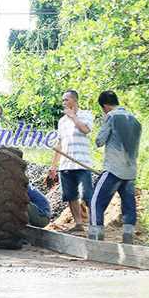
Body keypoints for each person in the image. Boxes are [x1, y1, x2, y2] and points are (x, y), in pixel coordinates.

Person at [89, 91, 142, 244]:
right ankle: (128, 238)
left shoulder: (111, 117)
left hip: (113, 169)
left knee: (95, 201)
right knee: (128, 205)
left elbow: (100, 141)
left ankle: (95, 239)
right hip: (131, 171)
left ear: (105, 106)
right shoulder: (135, 120)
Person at [48, 90, 94, 232]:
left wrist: (73, 116)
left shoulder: (86, 115)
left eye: (66, 100)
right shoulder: (61, 121)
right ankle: (79, 224)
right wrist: (53, 166)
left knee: (87, 195)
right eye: (63, 100)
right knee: (71, 196)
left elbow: (85, 130)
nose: (63, 103)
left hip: (82, 163)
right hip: (66, 166)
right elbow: (60, 144)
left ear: (74, 100)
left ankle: (94, 224)